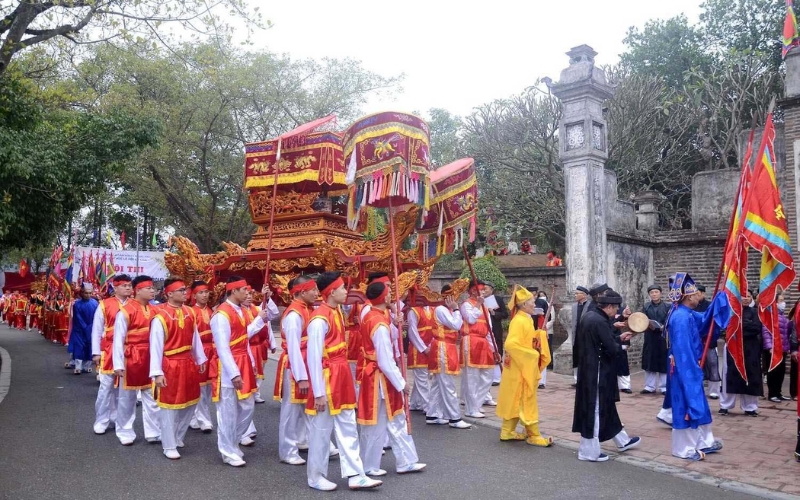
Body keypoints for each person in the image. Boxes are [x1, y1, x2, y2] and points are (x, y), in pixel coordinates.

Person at [305, 272, 381, 491]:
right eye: (342, 288)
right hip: (327, 379)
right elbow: (313, 358)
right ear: (331, 292)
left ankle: (356, 474)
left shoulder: (336, 311)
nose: (346, 292)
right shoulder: (319, 319)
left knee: (348, 425)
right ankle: (316, 476)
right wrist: (318, 392)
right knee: (321, 430)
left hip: (341, 375)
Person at [357, 281, 426, 476]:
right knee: (392, 420)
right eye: (388, 293)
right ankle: (394, 462)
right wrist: (402, 383)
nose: (391, 296)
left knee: (383, 422)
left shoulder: (374, 315)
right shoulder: (377, 322)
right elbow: (385, 360)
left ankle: (394, 462)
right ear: (383, 297)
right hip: (382, 379)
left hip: (378, 377)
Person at [662, 272, 727, 461]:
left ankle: (705, 441)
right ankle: (684, 449)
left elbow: (706, 320)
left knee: (698, 403)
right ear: (690, 296)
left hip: (690, 366)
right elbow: (683, 351)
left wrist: (720, 298)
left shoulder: (687, 313)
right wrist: (691, 371)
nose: (700, 295)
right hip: (685, 368)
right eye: (698, 293)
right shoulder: (681, 317)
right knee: (687, 404)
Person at [573, 290, 641, 462]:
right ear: (609, 307)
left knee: (605, 406)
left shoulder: (591, 316)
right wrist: (622, 344)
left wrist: (618, 338)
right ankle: (588, 451)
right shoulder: (598, 321)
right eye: (615, 308)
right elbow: (609, 347)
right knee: (594, 408)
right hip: (596, 370)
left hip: (591, 367)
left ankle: (622, 440)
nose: (616, 311)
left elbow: (602, 340)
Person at [209, 276, 269, 467]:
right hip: (227, 367)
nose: (247, 293)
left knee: (247, 405)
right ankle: (227, 451)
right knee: (227, 411)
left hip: (244, 360)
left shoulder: (242, 311)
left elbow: (244, 338)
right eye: (244, 289)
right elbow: (223, 347)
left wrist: (259, 321)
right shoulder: (221, 315)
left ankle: (232, 442)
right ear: (233, 291)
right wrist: (234, 373)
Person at [149, 278, 207, 459]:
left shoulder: (190, 312)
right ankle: (168, 445)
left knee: (191, 402)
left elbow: (195, 338)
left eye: (185, 290)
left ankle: (177, 436)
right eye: (181, 290)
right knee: (169, 407)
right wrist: (157, 373)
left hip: (188, 363)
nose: (185, 293)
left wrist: (201, 358)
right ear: (169, 293)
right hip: (170, 364)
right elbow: (156, 346)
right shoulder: (160, 316)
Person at [497, 285, 553, 446]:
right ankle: (533, 434)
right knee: (526, 399)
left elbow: (526, 339)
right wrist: (532, 354)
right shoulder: (519, 321)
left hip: (518, 366)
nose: (534, 305)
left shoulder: (525, 319)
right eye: (532, 302)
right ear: (523, 305)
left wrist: (538, 335)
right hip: (519, 367)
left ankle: (507, 432)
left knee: (515, 399)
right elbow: (511, 344)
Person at [112, 275, 161, 445]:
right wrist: (117, 364)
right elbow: (118, 339)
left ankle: (153, 431)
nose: (153, 291)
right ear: (138, 290)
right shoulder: (126, 310)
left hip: (151, 356)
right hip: (131, 357)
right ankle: (125, 431)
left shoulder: (156, 310)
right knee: (127, 398)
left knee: (152, 395)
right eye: (149, 288)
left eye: (153, 288)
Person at [274, 276, 317, 466]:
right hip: (295, 366)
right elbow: (293, 348)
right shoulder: (294, 315)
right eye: (313, 290)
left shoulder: (308, 310)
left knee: (305, 406)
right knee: (291, 411)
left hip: (308, 362)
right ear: (300, 292)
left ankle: (303, 439)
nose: (317, 293)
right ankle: (287, 450)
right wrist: (300, 377)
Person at [91, 275, 132, 435]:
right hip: (108, 350)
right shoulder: (104, 304)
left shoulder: (134, 305)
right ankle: (101, 420)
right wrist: (96, 352)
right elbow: (97, 329)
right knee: (105, 387)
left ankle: (118, 419)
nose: (128, 288)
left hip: (129, 351)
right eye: (124, 286)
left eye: (129, 285)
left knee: (123, 389)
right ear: (115, 288)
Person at [425, 285, 470, 429]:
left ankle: (432, 414)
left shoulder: (444, 310)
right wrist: (457, 309)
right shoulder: (441, 309)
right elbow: (456, 325)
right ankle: (454, 418)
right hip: (443, 349)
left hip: (446, 347)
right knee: (447, 384)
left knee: (439, 384)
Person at [719, 289, 763, 416]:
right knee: (729, 376)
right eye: (743, 296)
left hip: (750, 348)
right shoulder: (731, 311)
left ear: (751, 298)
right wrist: (743, 326)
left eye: (748, 296)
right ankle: (725, 405)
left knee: (750, 376)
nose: (745, 298)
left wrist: (739, 327)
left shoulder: (756, 312)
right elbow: (725, 329)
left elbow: (756, 328)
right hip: (733, 346)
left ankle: (750, 407)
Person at [460, 280, 499, 418]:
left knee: (487, 376)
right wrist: (478, 304)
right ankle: (471, 408)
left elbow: (489, 330)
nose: (483, 292)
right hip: (470, 341)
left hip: (483, 342)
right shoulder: (466, 305)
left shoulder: (485, 308)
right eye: (481, 290)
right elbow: (470, 319)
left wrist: (494, 349)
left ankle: (476, 404)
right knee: (472, 377)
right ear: (473, 291)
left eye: (484, 290)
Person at [189, 280, 215, 433]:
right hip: (198, 352)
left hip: (212, 350)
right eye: (201, 292)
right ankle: (200, 419)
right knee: (198, 387)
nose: (205, 295)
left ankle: (199, 417)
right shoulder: (191, 312)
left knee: (208, 388)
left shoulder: (212, 310)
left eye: (206, 292)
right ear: (194, 295)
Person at [406, 290, 435, 413]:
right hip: (419, 349)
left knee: (423, 378)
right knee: (422, 378)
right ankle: (428, 406)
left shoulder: (434, 309)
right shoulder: (414, 311)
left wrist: (432, 345)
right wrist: (423, 348)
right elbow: (412, 332)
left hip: (431, 346)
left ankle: (414, 403)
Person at [763, 290, 791, 403]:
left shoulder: (783, 316)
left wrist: (787, 347)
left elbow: (785, 334)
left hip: (782, 348)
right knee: (773, 372)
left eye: (783, 301)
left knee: (781, 371)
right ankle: (772, 394)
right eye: (780, 300)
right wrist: (769, 347)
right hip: (773, 349)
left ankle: (778, 393)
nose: (783, 303)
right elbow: (766, 332)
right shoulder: (769, 315)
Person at [642, 285, 670, 394]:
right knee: (649, 360)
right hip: (650, 336)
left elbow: (669, 319)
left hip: (663, 337)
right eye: (652, 292)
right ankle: (650, 386)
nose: (654, 294)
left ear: (661, 293)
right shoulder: (646, 306)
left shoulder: (667, 306)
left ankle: (664, 387)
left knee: (663, 361)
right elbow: (642, 319)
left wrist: (664, 326)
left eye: (656, 292)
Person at [694, 285, 721, 399]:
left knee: (712, 364)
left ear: (703, 294)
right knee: (696, 365)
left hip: (708, 341)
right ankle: (697, 390)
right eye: (694, 294)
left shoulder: (710, 306)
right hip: (695, 340)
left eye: (698, 294)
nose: (696, 296)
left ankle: (714, 391)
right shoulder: (691, 306)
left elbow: (713, 324)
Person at [483, 282, 508, 386]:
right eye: (483, 289)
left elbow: (505, 314)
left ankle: (497, 377)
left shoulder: (498, 300)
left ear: (492, 290)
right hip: (483, 329)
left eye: (486, 289)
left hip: (495, 328)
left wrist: (494, 313)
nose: (484, 291)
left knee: (497, 349)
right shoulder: (480, 300)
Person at [70, 284, 98, 375]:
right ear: (82, 293)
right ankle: (78, 366)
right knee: (79, 346)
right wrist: (85, 327)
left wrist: (92, 327)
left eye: (90, 293)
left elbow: (97, 316)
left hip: (91, 328)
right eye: (86, 293)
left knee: (89, 347)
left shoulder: (95, 303)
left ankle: (87, 366)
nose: (88, 295)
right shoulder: (77, 304)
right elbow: (78, 317)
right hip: (79, 329)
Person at [571, 286, 591, 386]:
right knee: (576, 358)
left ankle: (585, 380)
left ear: (584, 295)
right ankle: (576, 380)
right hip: (576, 335)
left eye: (577, 293)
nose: (575, 295)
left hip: (586, 336)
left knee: (585, 357)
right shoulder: (574, 306)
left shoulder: (590, 306)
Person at [536, 290, 555, 389]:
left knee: (542, 356)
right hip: (532, 336)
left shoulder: (543, 303)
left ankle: (541, 381)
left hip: (542, 334)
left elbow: (550, 316)